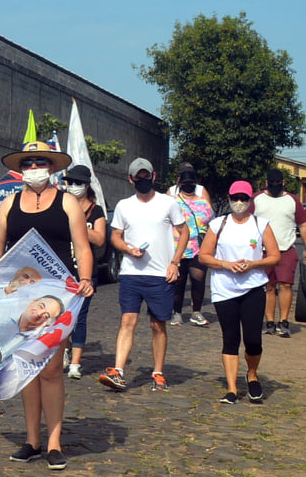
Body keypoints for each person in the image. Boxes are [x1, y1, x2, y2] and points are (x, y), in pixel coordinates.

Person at [0, 140, 95, 469]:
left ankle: (54, 441)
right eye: (28, 163)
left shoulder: (68, 203)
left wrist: (85, 278)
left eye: (40, 162)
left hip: (58, 296)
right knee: (27, 369)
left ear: (52, 166)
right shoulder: (9, 204)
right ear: (21, 168)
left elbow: (82, 247)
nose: (34, 169)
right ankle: (31, 440)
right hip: (20, 295)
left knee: (51, 369)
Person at [100, 157, 189, 393]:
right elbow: (115, 236)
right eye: (137, 177)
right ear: (130, 179)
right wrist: (129, 249)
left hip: (161, 274)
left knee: (158, 325)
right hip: (131, 273)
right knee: (127, 320)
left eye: (146, 175)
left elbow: (184, 231)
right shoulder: (123, 206)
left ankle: (158, 372)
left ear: (153, 176)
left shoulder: (168, 203)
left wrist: (175, 262)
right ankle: (118, 371)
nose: (142, 180)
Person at [205, 182, 280, 404]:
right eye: (235, 198)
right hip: (224, 289)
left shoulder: (261, 224)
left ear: (250, 200)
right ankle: (231, 388)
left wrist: (254, 264)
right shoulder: (218, 224)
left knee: (253, 339)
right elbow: (204, 255)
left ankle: (252, 375)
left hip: (253, 287)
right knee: (230, 338)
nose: (239, 203)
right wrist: (226, 265)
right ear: (229, 198)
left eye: (244, 198)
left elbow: (275, 256)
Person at [61, 165, 108, 381]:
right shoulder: (61, 205)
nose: (73, 187)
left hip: (85, 272)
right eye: (70, 182)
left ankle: (76, 363)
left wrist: (78, 224)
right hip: (62, 270)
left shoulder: (96, 211)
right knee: (61, 315)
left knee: (79, 317)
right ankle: (65, 348)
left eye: (78, 183)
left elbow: (99, 239)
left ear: (87, 185)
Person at [254, 168, 306, 338]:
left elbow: (303, 225)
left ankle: (283, 321)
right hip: (263, 251)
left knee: (285, 285)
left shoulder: (292, 200)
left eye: (278, 183)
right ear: (266, 183)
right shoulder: (257, 199)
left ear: (283, 183)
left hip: (285, 249)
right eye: (272, 183)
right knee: (269, 286)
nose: (275, 185)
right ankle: (269, 322)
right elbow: (247, 222)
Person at [169, 163, 214, 327]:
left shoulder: (203, 200)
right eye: (185, 182)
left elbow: (211, 221)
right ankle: (177, 313)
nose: (188, 185)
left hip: (198, 247)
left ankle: (197, 312)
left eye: (191, 182)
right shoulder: (172, 199)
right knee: (178, 282)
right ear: (180, 182)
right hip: (177, 247)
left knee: (198, 279)